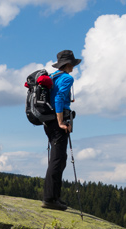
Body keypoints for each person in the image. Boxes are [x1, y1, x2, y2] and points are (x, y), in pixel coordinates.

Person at [42, 50, 81, 211]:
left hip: (48, 122)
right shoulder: (66, 78)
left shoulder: (53, 77)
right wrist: (61, 122)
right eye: (72, 64)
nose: (73, 67)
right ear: (68, 64)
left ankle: (54, 197)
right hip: (58, 121)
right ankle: (50, 199)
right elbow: (58, 99)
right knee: (58, 160)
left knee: (59, 158)